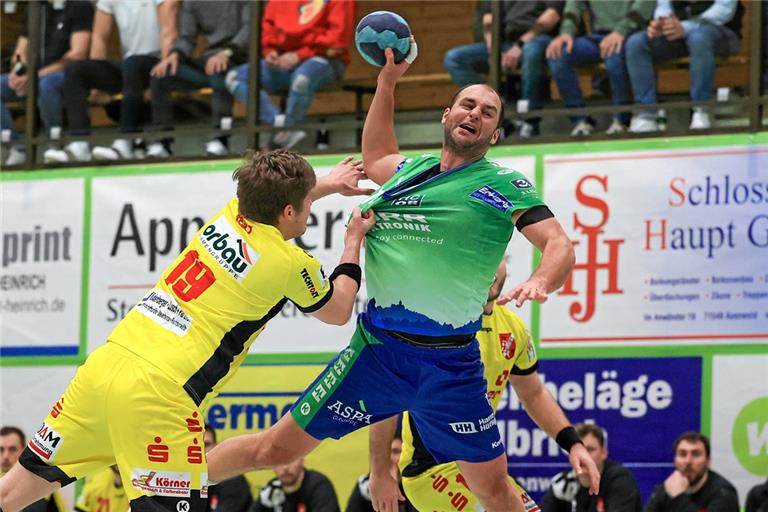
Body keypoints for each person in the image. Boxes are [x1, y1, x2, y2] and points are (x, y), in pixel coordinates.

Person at [205, 40, 600, 512]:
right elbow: (376, 155)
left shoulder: (502, 184)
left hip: (452, 366)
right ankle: (162, 484)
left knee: (494, 490)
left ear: (494, 134)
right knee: (273, 450)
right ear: (447, 115)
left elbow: (560, 244)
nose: (475, 113)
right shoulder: (406, 172)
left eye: (489, 112)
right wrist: (387, 82)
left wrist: (542, 279)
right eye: (467, 104)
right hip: (378, 353)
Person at [0, 151, 375, 512]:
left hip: (104, 368)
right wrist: (353, 239)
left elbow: (278, 202)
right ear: (289, 210)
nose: (310, 209)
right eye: (306, 204)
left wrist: (327, 184)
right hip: (159, 395)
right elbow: (339, 309)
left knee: (10, 493)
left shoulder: (228, 215)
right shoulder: (290, 264)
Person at [369, 260, 583, 512]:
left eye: (497, 257)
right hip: (431, 469)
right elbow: (387, 397)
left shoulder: (513, 328)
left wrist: (573, 443)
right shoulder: (433, 322)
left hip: (483, 469)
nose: (490, 267)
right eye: (483, 259)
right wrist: (380, 472)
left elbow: (533, 393)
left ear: (507, 265)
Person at [42, 0, 170, 163]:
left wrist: (162, 76)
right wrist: (97, 86)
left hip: (157, 62)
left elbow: (170, 30)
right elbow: (99, 37)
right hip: (130, 66)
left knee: (133, 63)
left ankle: (126, 141)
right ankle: (79, 143)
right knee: (76, 69)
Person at [225, 0, 356, 150]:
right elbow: (268, 30)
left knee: (301, 79)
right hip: (282, 60)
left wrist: (299, 55)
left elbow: (337, 42)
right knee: (234, 78)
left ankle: (282, 133)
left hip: (326, 59)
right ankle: (282, 127)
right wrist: (270, 53)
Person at [443, 0, 565, 138]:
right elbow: (488, 21)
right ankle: (495, 108)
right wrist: (493, 51)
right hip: (503, 43)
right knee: (454, 59)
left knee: (532, 52)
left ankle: (529, 120)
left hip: (538, 38)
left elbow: (551, 18)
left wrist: (519, 46)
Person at [147, 1, 251, 158]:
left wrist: (228, 52)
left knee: (218, 69)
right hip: (209, 58)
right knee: (162, 74)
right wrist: (175, 54)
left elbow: (250, 29)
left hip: (240, 57)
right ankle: (163, 141)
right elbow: (186, 38)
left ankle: (220, 138)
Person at [625, 0, 743, 132]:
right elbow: (663, 7)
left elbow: (724, 10)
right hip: (677, 31)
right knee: (636, 43)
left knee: (698, 38)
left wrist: (685, 27)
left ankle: (701, 110)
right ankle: (645, 115)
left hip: (718, 29)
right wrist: (662, 24)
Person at [1, 0, 92, 166]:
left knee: (46, 84)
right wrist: (18, 71)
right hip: (34, 75)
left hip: (66, 74)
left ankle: (55, 142)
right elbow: (20, 51)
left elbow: (78, 53)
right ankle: (15, 144)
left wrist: (36, 75)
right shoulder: (36, 7)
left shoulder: (80, 5)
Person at [546, 0, 654, 136]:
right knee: (558, 55)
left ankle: (622, 120)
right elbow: (573, 5)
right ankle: (581, 120)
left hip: (630, 34)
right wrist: (566, 32)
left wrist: (621, 31)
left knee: (614, 54)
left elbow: (645, 5)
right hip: (597, 37)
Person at [540, 423, 642, 512]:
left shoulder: (619, 479)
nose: (584, 456)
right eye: (579, 451)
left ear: (604, 452)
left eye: (590, 449)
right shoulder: (563, 483)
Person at [644, 432, 739, 512]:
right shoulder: (665, 490)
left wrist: (679, 497)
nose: (688, 461)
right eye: (682, 454)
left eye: (696, 454)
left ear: (708, 461)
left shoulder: (723, 493)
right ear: (675, 460)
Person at [346, 432, 417, 512]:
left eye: (395, 451)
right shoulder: (364, 485)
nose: (389, 458)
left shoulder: (414, 485)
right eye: (385, 453)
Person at [0, 427, 66, 512]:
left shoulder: (43, 482)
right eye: (1, 449)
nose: (5, 456)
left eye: (12, 449)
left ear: (23, 450)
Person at [252, 458, 340, 512]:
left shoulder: (319, 486)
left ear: (302, 460)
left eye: (291, 460)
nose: (285, 467)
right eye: (278, 462)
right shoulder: (271, 488)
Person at [204, 425, 251, 512]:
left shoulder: (232, 479)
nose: (201, 450)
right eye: (196, 446)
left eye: (206, 444)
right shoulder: (188, 480)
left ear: (215, 447)